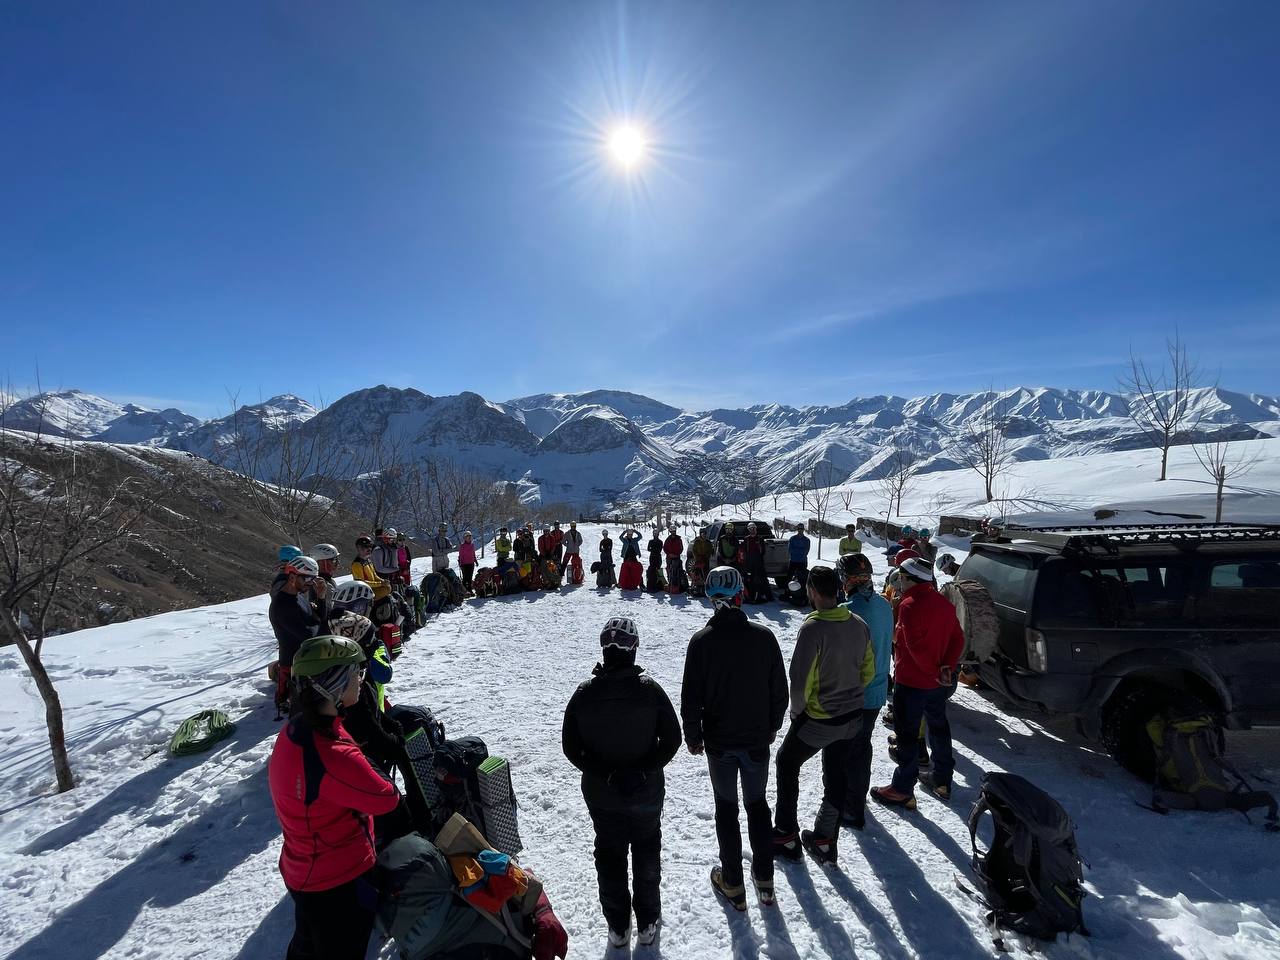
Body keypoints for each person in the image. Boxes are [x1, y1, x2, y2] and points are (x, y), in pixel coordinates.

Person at [269, 635, 402, 960]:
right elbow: (387, 798)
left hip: (304, 868)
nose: (361, 679)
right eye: (356, 673)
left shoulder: (298, 730)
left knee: (307, 944)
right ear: (334, 684)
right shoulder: (333, 753)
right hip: (339, 879)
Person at [562, 618, 681, 949]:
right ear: (634, 650)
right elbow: (672, 739)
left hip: (603, 796)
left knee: (610, 854)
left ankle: (618, 925)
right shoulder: (649, 690)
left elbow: (571, 747)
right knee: (646, 850)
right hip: (645, 793)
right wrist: (644, 770)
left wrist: (604, 773)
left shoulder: (585, 694)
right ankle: (647, 921)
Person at [681, 566, 787, 909]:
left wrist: (693, 736)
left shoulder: (701, 642)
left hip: (720, 743)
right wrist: (771, 726)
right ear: (740, 595)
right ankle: (765, 879)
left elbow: (691, 698)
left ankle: (733, 883)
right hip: (755, 741)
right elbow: (779, 692)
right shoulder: (763, 637)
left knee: (726, 809)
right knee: (757, 805)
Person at [772, 565, 873, 865]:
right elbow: (867, 671)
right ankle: (826, 839)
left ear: (813, 591)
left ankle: (785, 833)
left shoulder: (813, 629)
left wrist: (797, 712)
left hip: (820, 717)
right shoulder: (858, 623)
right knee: (836, 773)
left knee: (787, 762)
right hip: (853, 716)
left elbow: (800, 681)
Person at [872, 557, 965, 810]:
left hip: (912, 682)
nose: (900, 582)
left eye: (902, 577)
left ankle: (902, 789)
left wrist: (933, 671)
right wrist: (946, 668)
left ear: (910, 578)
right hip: (937, 684)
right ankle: (942, 780)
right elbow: (958, 638)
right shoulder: (943, 603)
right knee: (939, 728)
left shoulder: (909, 605)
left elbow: (915, 647)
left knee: (907, 735)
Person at [839, 553, 893, 829]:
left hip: (853, 693)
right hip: (877, 691)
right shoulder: (884, 605)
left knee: (847, 750)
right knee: (862, 745)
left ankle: (850, 807)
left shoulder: (847, 611)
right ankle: (856, 797)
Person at [270, 556, 327, 712]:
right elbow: (309, 635)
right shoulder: (282, 605)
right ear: (292, 577)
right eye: (307, 578)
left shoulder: (298, 597)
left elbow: (319, 618)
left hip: (304, 659)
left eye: (314, 579)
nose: (311, 583)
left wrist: (321, 597)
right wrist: (321, 625)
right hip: (294, 665)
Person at [351, 536, 391, 600]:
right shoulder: (357, 564)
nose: (369, 549)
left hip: (372, 589)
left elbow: (374, 576)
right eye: (366, 546)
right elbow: (362, 583)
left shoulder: (368, 560)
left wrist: (383, 581)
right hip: (365, 594)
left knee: (388, 588)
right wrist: (380, 584)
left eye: (370, 546)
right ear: (359, 548)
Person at [741, 523, 773, 604]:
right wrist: (745, 562)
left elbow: (763, 551)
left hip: (758, 562)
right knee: (749, 580)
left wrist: (758, 555)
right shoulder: (746, 539)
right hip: (749, 563)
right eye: (751, 529)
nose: (753, 530)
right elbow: (744, 551)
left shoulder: (760, 538)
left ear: (756, 529)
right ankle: (749, 596)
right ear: (749, 530)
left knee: (762, 579)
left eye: (754, 528)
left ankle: (767, 596)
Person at [374, 529, 402, 594]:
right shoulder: (378, 550)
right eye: (392, 540)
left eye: (394, 540)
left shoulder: (389, 549)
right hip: (379, 580)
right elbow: (379, 569)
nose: (393, 542)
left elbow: (394, 564)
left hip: (387, 579)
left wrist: (395, 550)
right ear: (385, 539)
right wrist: (395, 569)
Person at [689, 528, 713, 594]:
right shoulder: (697, 542)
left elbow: (710, 551)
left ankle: (706, 586)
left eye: (704, 534)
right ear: (700, 534)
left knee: (705, 573)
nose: (703, 535)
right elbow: (694, 550)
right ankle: (695, 586)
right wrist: (697, 557)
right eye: (702, 534)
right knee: (696, 573)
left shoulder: (708, 542)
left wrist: (706, 556)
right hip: (698, 559)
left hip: (705, 560)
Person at [787, 523, 810, 592]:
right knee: (789, 578)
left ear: (803, 529)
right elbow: (790, 550)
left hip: (802, 562)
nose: (800, 530)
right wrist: (800, 550)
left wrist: (796, 550)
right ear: (797, 529)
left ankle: (802, 593)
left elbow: (806, 552)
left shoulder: (807, 540)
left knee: (802, 579)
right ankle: (787, 592)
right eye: (799, 528)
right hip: (793, 561)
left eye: (801, 528)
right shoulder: (792, 539)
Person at [662, 525, 685, 593]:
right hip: (669, 557)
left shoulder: (679, 539)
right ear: (670, 532)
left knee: (677, 571)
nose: (673, 533)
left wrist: (676, 554)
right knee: (669, 570)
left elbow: (681, 548)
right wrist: (669, 554)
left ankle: (677, 584)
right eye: (672, 531)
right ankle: (670, 583)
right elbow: (665, 548)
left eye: (674, 531)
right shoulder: (667, 539)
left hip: (677, 557)